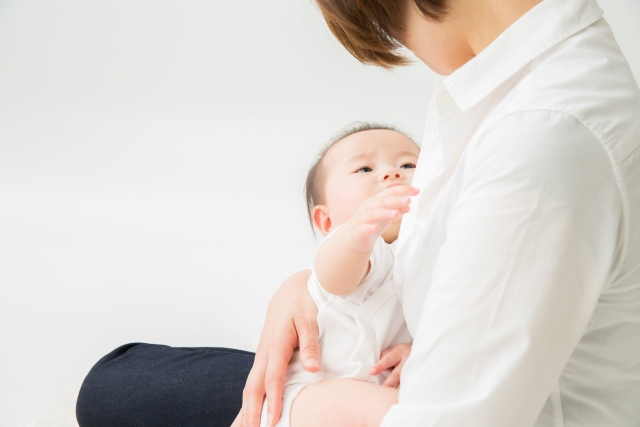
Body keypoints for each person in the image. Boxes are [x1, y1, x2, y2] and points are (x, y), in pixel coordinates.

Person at [77, 0, 640, 426]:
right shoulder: (511, 93)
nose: (404, 44)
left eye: (395, 30)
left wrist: (309, 404)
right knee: (120, 379)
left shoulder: (540, 138)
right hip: (371, 375)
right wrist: (302, 285)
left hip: (370, 401)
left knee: (119, 387)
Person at [260, 123, 418, 427]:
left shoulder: (431, 254)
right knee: (412, 413)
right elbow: (337, 278)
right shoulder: (355, 247)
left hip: (365, 400)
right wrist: (356, 238)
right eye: (364, 169)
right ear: (327, 220)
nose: (391, 173)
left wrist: (416, 352)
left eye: (408, 164)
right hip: (309, 397)